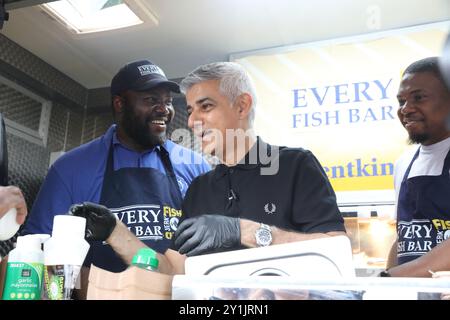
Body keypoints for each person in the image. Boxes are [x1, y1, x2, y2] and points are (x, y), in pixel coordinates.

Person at [73, 62, 346, 266]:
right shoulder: (199, 188)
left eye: (205, 107)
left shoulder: (294, 165)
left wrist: (244, 231)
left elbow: (337, 248)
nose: (192, 122)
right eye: (190, 110)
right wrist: (116, 233)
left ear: (241, 106)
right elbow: (168, 267)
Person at [22, 59, 211, 276]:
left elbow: (212, 251)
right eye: (151, 100)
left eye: (167, 101)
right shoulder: (71, 168)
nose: (164, 109)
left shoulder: (195, 166)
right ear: (119, 104)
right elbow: (37, 248)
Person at [384, 57, 450, 277]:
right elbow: (404, 238)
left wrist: (390, 279)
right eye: (401, 101)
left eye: (418, 98)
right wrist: (386, 288)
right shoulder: (404, 162)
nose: (406, 109)